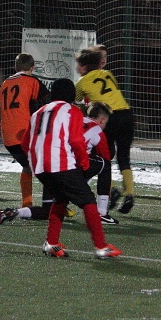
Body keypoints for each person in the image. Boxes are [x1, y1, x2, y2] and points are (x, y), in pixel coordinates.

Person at [22, 78, 122, 259]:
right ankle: (101, 247)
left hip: (39, 166)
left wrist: (35, 159)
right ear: (71, 95)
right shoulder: (72, 110)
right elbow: (76, 141)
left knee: (60, 199)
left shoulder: (38, 112)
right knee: (88, 201)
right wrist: (84, 163)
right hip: (60, 162)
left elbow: (24, 143)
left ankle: (51, 243)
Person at [75, 47, 136, 214]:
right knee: (124, 158)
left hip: (107, 118)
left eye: (78, 65)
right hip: (126, 115)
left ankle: (112, 190)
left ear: (84, 66)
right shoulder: (108, 74)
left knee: (103, 158)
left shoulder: (81, 82)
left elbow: (77, 102)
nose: (77, 68)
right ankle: (129, 194)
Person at [0, 53, 52, 224]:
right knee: (48, 167)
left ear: (15, 67)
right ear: (32, 68)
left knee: (28, 166)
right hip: (25, 135)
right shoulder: (32, 81)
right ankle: (55, 203)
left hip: (7, 137)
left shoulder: (5, 83)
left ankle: (27, 203)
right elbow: (48, 101)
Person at [83, 101, 118, 225]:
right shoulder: (97, 130)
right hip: (75, 167)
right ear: (102, 120)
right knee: (105, 165)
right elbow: (106, 158)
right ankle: (102, 212)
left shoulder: (75, 120)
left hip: (56, 163)